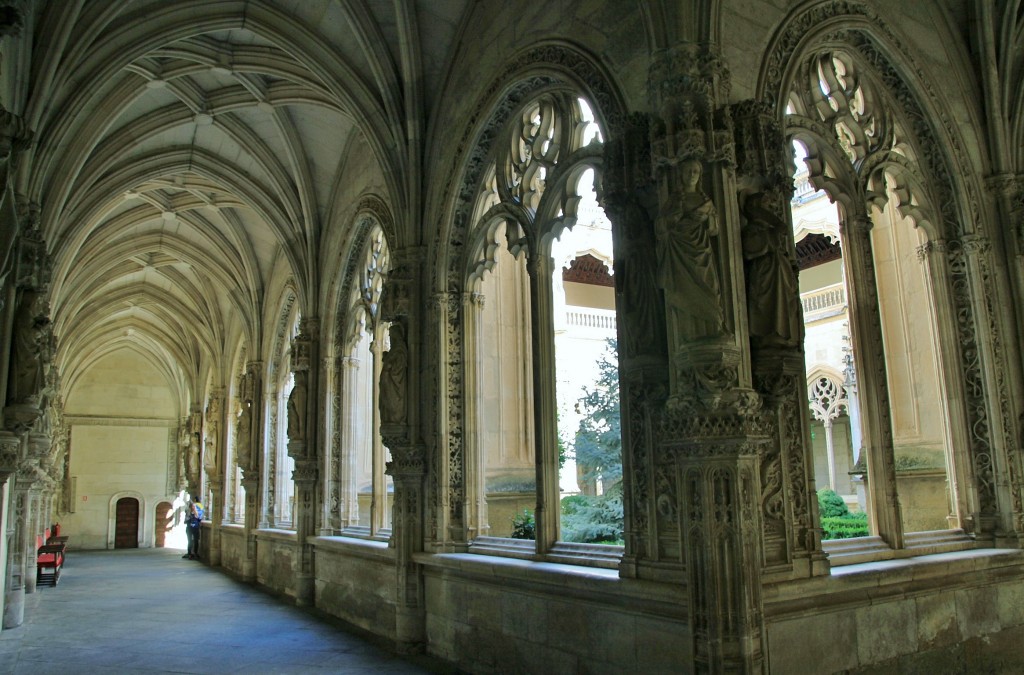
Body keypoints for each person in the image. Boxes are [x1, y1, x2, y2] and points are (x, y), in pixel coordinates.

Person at [655, 158, 725, 343]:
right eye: (688, 171)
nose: (692, 175)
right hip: (680, 253)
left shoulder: (706, 201)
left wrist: (705, 219)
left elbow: (714, 229)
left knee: (710, 289)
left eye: (695, 171)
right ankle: (691, 335)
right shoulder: (673, 201)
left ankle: (714, 328)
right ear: (681, 175)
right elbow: (660, 227)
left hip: (702, 251)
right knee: (685, 293)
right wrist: (675, 219)